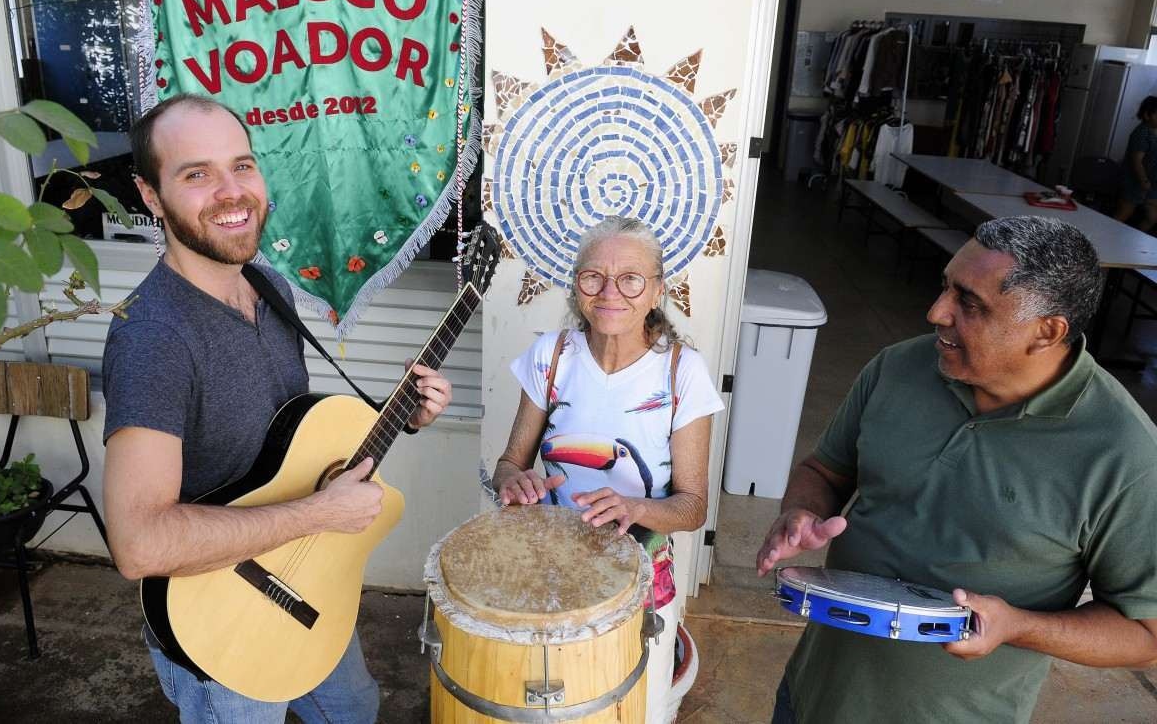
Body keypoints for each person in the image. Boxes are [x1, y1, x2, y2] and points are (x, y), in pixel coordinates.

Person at [101, 93, 453, 723]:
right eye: (196, 174)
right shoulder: (151, 337)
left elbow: (281, 447)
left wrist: (401, 414)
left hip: (306, 577)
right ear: (150, 196)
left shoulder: (269, 287)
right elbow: (139, 543)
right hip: (219, 624)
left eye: (242, 165)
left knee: (354, 710)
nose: (232, 191)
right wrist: (322, 510)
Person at [757, 216, 1157, 724]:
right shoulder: (897, 368)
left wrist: (1018, 626)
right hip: (812, 695)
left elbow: (1146, 636)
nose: (936, 312)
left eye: (969, 303)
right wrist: (800, 511)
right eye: (946, 287)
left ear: (1047, 330)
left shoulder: (1125, 454)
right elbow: (826, 469)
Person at [491, 216, 724, 721]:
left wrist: (635, 507)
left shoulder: (682, 372)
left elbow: (692, 507)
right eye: (592, 276)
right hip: (548, 570)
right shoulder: (551, 357)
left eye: (631, 279)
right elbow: (509, 464)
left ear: (657, 289)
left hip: (639, 580)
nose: (609, 293)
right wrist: (515, 481)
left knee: (632, 707)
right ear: (577, 285)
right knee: (544, 703)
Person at [1115, 95, 1157, 231]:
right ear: (1147, 115)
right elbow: (1137, 161)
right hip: (1135, 183)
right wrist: (1144, 182)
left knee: (1152, 217)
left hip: (1148, 185)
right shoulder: (1141, 133)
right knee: (1123, 215)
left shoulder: (1153, 131)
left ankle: (1132, 242)